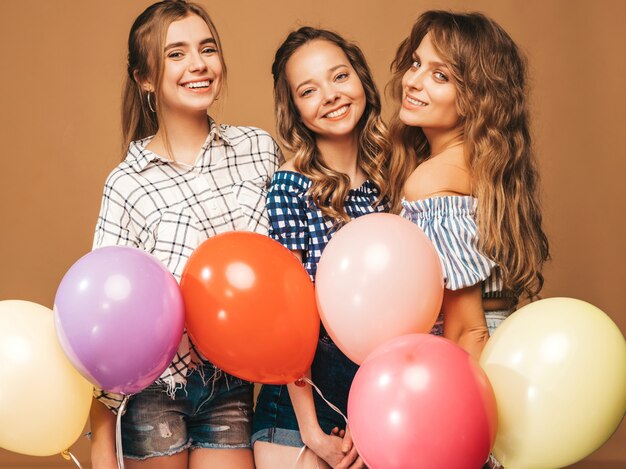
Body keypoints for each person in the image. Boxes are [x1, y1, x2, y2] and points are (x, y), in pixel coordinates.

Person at [89, 1, 279, 468]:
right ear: (144, 77)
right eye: (176, 53)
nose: (198, 64)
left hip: (230, 385)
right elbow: (106, 315)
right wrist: (100, 438)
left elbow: (284, 267)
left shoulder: (258, 150)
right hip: (153, 392)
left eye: (207, 48)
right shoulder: (127, 182)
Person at [251, 27, 392, 469]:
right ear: (294, 110)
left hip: (376, 399)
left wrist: (371, 410)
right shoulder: (290, 189)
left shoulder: (393, 180)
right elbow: (290, 318)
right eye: (309, 90)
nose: (330, 95)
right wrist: (312, 431)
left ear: (362, 81)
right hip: (299, 408)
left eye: (339, 77)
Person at [388, 10, 550, 362]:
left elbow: (468, 330)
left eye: (440, 75)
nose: (413, 81)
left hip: (468, 357)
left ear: (476, 97)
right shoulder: (487, 169)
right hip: (501, 346)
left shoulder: (433, 181)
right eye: (416, 63)